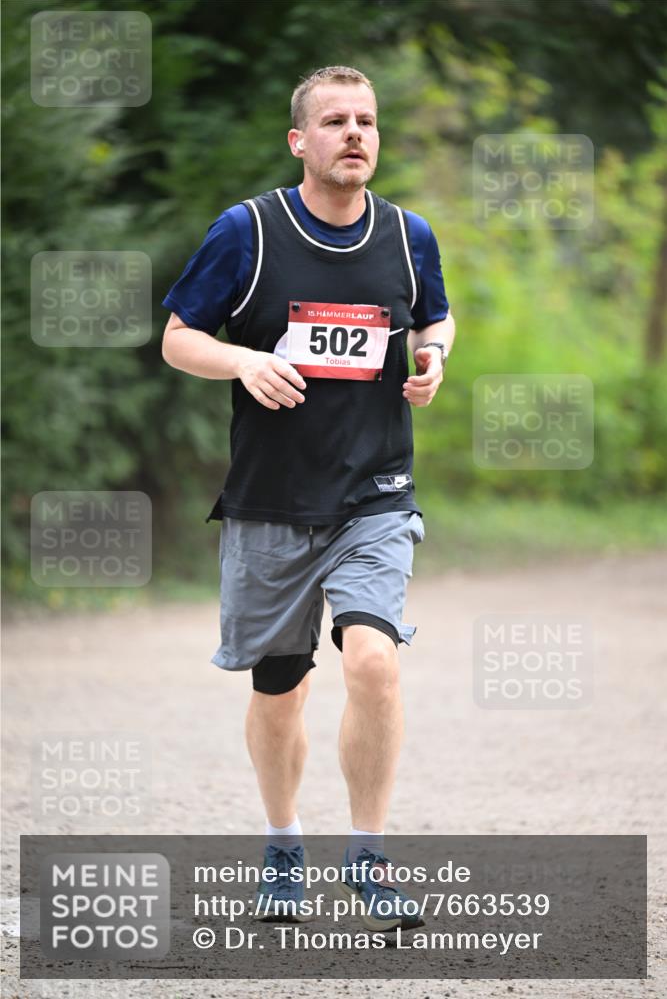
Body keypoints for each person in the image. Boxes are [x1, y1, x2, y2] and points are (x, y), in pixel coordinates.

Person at [161, 65, 455, 931]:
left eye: (365, 120)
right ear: (301, 141)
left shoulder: (408, 235)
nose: (354, 133)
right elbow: (180, 339)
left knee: (373, 662)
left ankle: (367, 859)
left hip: (375, 493)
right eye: (334, 121)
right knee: (280, 686)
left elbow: (431, 319)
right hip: (270, 498)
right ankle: (283, 846)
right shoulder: (247, 231)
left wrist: (436, 358)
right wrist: (244, 360)